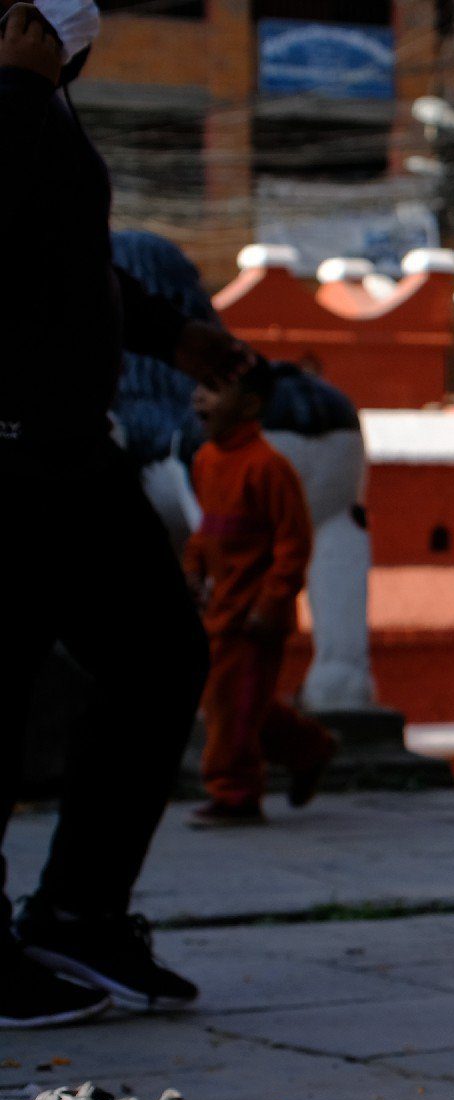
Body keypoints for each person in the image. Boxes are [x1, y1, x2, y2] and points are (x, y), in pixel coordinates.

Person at [1, 0, 248, 1025]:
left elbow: (65, 267)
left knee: (158, 653)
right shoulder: (16, 108)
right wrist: (18, 85)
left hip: (70, 454)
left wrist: (176, 338)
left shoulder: (45, 113)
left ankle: (78, 912)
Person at [184, 363, 338, 828]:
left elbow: (294, 544)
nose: (199, 400)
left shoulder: (269, 467)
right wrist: (192, 569)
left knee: (234, 707)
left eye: (213, 388)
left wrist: (271, 603)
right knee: (235, 702)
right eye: (200, 388)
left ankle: (235, 794)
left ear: (250, 406)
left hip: (255, 620)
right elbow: (206, 531)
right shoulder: (207, 462)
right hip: (221, 610)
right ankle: (310, 748)